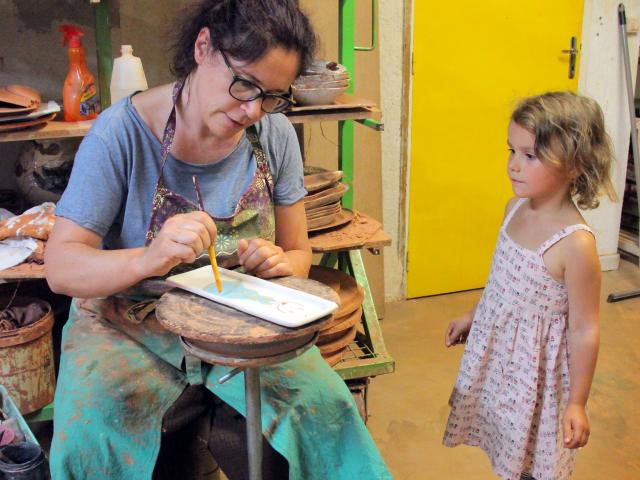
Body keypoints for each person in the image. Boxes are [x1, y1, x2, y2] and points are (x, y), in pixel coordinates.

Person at [44, 1, 391, 479]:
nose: (252, 110)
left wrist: (279, 265)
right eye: (245, 84)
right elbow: (61, 268)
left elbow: (299, 253)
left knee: (324, 413)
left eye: (271, 96)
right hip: (128, 321)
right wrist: (149, 257)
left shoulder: (274, 135)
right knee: (95, 437)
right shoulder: (119, 135)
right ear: (203, 47)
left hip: (242, 322)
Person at [442, 92, 617, 480]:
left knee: (531, 458)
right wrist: (473, 315)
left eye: (531, 155)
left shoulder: (575, 245)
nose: (513, 166)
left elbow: (585, 329)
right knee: (504, 444)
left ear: (575, 165)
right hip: (500, 363)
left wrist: (577, 403)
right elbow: (501, 280)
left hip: (535, 377)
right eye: (512, 151)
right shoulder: (513, 209)